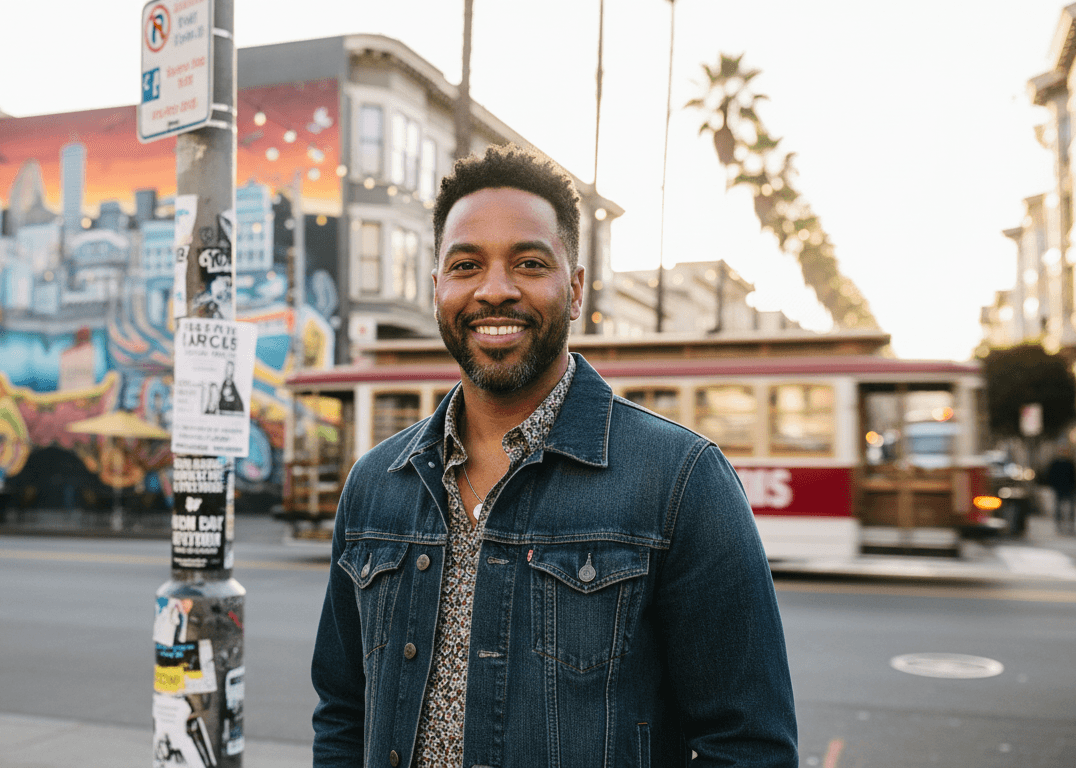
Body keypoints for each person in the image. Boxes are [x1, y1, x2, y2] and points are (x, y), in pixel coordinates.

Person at [311, 145, 798, 767]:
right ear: (437, 288)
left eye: (529, 263)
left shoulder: (681, 482)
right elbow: (343, 712)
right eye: (466, 265)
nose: (495, 290)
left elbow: (748, 747)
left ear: (574, 290)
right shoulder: (375, 484)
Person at [1047, 446, 1075, 534]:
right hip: (1059, 488)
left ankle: (1070, 524)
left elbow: (1073, 475)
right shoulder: (1055, 463)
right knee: (1058, 507)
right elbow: (1051, 475)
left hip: (1069, 488)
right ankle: (1059, 525)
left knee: (1070, 508)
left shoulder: (1069, 463)